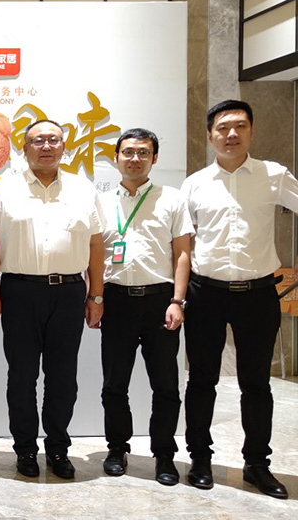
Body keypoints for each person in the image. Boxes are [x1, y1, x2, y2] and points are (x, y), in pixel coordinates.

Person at [181, 99, 295, 499]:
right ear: (209, 135)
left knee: (256, 384)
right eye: (223, 127)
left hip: (258, 294)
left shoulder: (273, 175)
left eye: (240, 126)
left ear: (252, 131)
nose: (231, 134)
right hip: (204, 293)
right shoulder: (194, 184)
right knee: (201, 381)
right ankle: (200, 459)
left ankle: (257, 464)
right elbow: (183, 243)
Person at [0, 119, 105, 480]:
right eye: (38, 141)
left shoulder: (83, 189)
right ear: (24, 148)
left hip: (69, 292)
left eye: (53, 140)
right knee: (21, 377)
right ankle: (25, 449)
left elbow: (96, 245)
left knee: (63, 377)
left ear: (64, 146)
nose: (46, 146)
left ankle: (58, 448)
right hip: (20, 292)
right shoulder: (5, 190)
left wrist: (96, 294)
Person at [98, 128, 191, 485]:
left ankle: (164, 455)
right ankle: (117, 448)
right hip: (116, 300)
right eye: (128, 152)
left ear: (154, 158)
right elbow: (93, 255)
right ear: (116, 158)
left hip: (160, 302)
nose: (134, 159)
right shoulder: (101, 202)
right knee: (114, 384)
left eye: (143, 152)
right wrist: (95, 298)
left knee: (166, 385)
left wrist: (177, 301)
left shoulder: (172, 199)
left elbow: (182, 253)